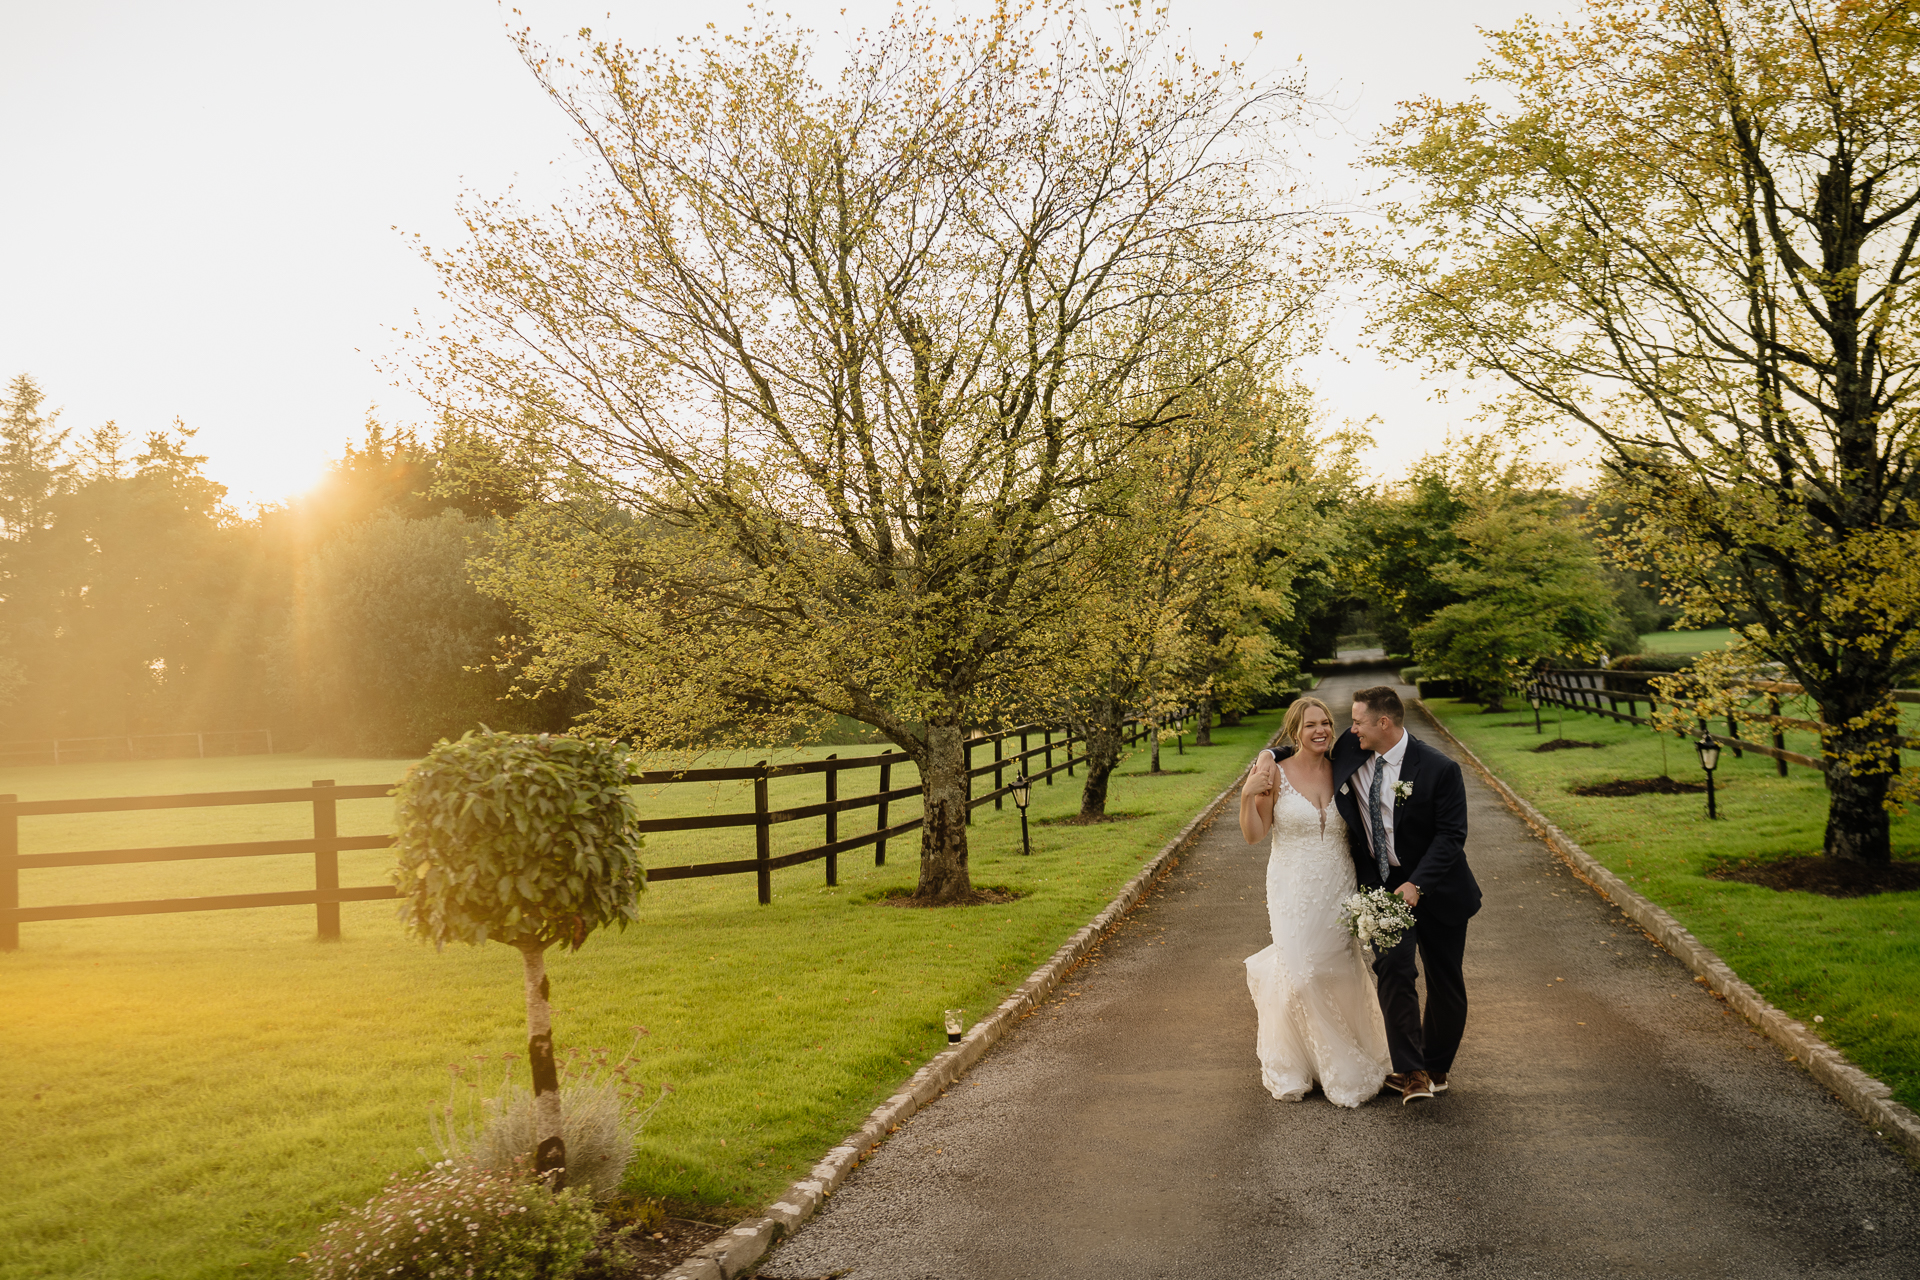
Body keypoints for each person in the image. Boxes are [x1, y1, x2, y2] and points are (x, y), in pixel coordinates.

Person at [1258, 685, 1480, 1105]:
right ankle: (1411, 1072)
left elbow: (1453, 836)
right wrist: (1267, 756)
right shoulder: (1351, 750)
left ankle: (1436, 1066)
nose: (1348, 728)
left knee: (1446, 982)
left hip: (1439, 887)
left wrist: (1417, 885)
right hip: (1381, 889)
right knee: (1395, 970)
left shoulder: (1438, 768)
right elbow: (1302, 747)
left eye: (1357, 721)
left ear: (1384, 723)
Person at [1238, 696, 1391, 1107]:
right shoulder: (1275, 773)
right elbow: (1255, 834)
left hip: (1339, 882)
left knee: (1340, 970)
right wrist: (1246, 795)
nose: (1320, 730)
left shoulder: (1343, 765)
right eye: (1310, 725)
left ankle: (1340, 1055)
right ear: (1294, 732)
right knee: (1302, 971)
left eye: (1325, 723)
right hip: (1292, 886)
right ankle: (1317, 1063)